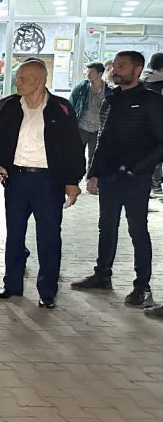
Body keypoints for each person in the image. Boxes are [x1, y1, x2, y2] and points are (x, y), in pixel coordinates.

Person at [71, 51, 163, 311]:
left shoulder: (151, 101)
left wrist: (137, 169)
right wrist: (93, 173)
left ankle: (142, 286)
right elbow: (103, 139)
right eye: (115, 66)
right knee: (106, 227)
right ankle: (102, 275)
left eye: (123, 66)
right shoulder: (111, 100)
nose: (116, 70)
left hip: (136, 179)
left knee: (137, 231)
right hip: (109, 176)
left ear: (138, 70)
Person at [0, 60, 84, 310]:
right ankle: (12, 285)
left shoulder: (60, 108)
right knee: (14, 234)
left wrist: (72, 180)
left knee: (49, 236)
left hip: (48, 181)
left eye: (23, 78)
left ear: (40, 81)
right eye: (17, 78)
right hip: (17, 179)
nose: (17, 82)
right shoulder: (10, 106)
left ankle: (47, 291)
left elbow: (73, 147)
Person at [69, 62, 112, 168]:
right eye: (87, 71)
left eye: (91, 72)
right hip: (81, 127)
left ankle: (90, 176)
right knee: (77, 155)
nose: (88, 74)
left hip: (98, 129)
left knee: (94, 157)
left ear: (100, 74)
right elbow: (70, 106)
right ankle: (77, 175)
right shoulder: (81, 88)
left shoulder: (108, 91)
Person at [144, 52, 163, 197]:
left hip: (144, 125)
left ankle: (150, 185)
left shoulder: (143, 80)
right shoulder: (160, 83)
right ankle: (155, 185)